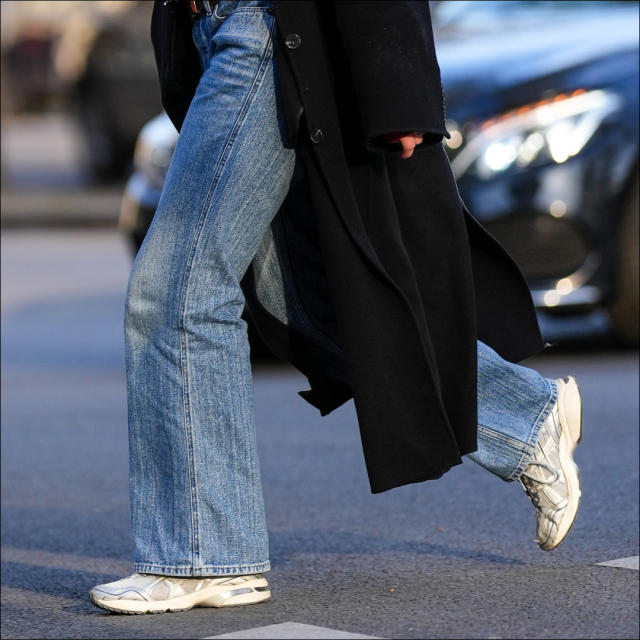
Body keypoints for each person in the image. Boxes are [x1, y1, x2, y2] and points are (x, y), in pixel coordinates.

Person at [89, 0, 583, 614]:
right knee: (302, 300)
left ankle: (204, 557)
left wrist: (399, 90)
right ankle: (523, 419)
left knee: (174, 294)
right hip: (214, 35)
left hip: (265, 31)